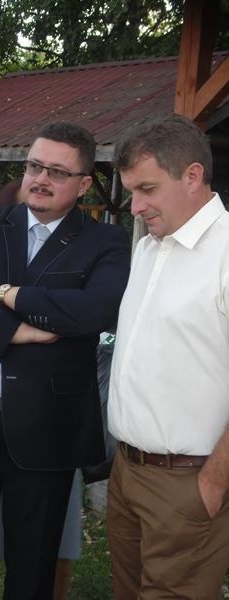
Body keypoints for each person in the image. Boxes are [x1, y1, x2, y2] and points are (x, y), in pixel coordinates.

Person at [0, 121, 131, 599]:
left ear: (83, 183)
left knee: (32, 572)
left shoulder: (106, 243)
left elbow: (94, 311)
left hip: (48, 432)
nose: (41, 178)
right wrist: (17, 330)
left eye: (57, 171)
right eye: (35, 166)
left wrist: (4, 295)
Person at [107, 114, 229, 600]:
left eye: (147, 189)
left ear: (193, 176)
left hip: (189, 481)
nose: (135, 206)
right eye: (131, 191)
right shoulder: (149, 248)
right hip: (127, 471)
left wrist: (214, 481)